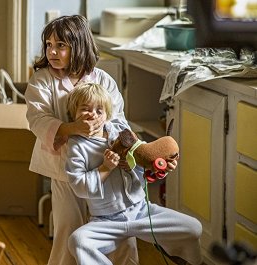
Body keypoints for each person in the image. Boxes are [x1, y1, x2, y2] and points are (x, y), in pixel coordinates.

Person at [25, 15, 151, 265]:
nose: (52, 51)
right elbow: (37, 119)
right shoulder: (42, 81)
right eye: (48, 45)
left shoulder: (103, 80)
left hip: (108, 168)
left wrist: (127, 153)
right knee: (69, 228)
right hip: (65, 169)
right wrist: (72, 128)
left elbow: (119, 121)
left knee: (118, 228)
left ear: (79, 45)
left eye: (60, 45)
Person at [65, 83, 203, 265]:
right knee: (78, 241)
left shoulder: (122, 134)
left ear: (107, 115)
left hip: (141, 211)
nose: (93, 115)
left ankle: (184, 258)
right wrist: (105, 168)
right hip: (106, 220)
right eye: (85, 109)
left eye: (99, 110)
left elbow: (145, 162)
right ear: (73, 114)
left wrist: (156, 168)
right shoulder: (77, 146)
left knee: (193, 227)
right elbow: (79, 187)